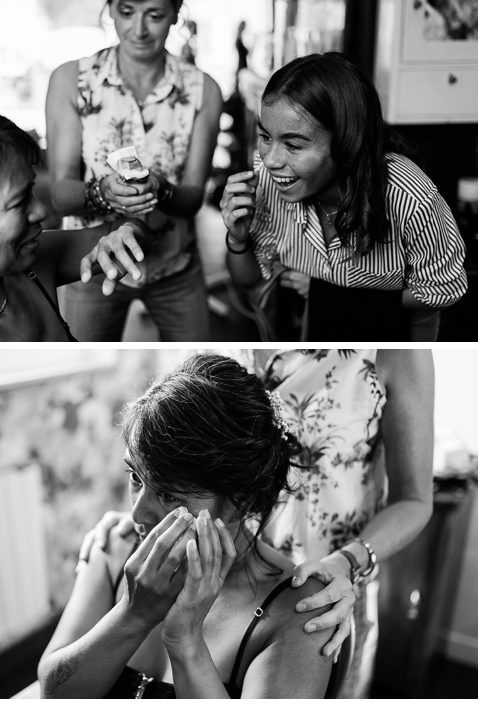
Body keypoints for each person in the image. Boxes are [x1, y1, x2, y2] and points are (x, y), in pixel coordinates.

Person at [77, 349, 435, 697]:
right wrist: (150, 518)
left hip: (320, 586)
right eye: (133, 478)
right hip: (208, 552)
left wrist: (346, 561)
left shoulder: (395, 353)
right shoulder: (229, 333)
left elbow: (414, 499)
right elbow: (186, 461)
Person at [39, 354, 337, 698]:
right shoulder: (115, 547)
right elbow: (54, 693)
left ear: (245, 501)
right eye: (136, 477)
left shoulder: (299, 612)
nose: (137, 514)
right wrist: (132, 615)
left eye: (168, 494)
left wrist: (185, 640)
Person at [220, 52, 466, 340]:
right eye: (265, 138)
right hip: (324, 317)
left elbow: (443, 290)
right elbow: (251, 279)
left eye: (294, 145)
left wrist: (335, 294)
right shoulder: (268, 179)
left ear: (347, 142)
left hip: (403, 328)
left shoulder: (408, 195)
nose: (272, 160)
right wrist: (238, 238)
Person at [45, 0, 222, 341]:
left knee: (198, 368)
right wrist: (101, 192)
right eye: (126, 12)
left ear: (175, 12)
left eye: (154, 15)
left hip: (175, 267)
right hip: (92, 265)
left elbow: (191, 200)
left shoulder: (204, 90)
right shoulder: (72, 80)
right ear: (110, 8)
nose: (138, 29)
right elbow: (61, 195)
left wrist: (163, 189)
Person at [0, 100, 152, 342]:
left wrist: (128, 233)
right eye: (17, 202)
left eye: (31, 191)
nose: (41, 211)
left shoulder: (34, 262)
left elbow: (133, 230)